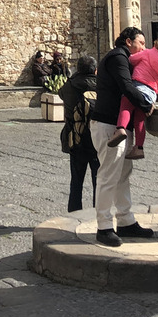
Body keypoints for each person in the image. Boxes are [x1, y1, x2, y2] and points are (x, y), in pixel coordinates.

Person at [88, 26, 155, 247]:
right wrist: (146, 103)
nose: (144, 48)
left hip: (118, 126)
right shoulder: (118, 57)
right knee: (108, 176)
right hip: (108, 124)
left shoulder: (123, 58)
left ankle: (126, 221)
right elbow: (126, 86)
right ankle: (104, 227)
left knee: (123, 174)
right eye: (141, 43)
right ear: (128, 41)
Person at [108, 35, 158, 161]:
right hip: (151, 92)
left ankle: (120, 129)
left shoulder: (148, 53)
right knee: (140, 120)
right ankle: (139, 148)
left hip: (138, 85)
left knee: (126, 105)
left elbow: (131, 59)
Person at [60, 55, 99, 212]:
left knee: (76, 180)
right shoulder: (102, 85)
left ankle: (74, 213)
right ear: (95, 70)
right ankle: (99, 213)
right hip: (97, 137)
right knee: (99, 180)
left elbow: (60, 93)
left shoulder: (69, 86)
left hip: (75, 137)